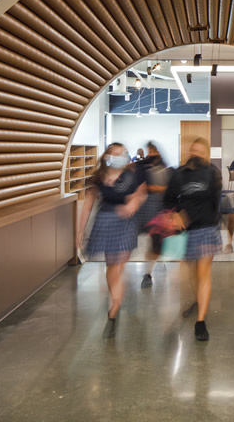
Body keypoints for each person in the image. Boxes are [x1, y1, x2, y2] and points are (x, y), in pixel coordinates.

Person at [76, 143, 147, 338]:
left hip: (125, 223)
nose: (121, 156)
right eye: (116, 154)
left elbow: (139, 195)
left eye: (123, 153)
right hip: (106, 222)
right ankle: (115, 299)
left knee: (119, 265)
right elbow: (88, 205)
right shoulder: (98, 178)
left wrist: (133, 203)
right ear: (108, 157)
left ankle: (115, 305)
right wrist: (80, 231)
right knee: (112, 266)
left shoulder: (130, 176)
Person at [164, 137, 222, 341]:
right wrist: (175, 214)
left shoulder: (213, 173)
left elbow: (217, 203)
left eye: (200, 151)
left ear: (206, 154)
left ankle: (200, 322)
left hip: (207, 228)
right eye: (193, 150)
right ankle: (198, 300)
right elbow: (168, 200)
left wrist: (218, 222)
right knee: (191, 273)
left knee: (203, 274)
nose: (196, 154)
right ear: (190, 152)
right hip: (186, 232)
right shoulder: (179, 174)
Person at [137, 142, 174, 288]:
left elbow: (169, 189)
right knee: (149, 241)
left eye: (153, 151)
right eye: (149, 151)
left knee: (156, 241)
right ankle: (149, 270)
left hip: (159, 209)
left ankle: (148, 272)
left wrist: (155, 188)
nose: (151, 154)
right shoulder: (143, 168)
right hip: (145, 208)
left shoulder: (167, 169)